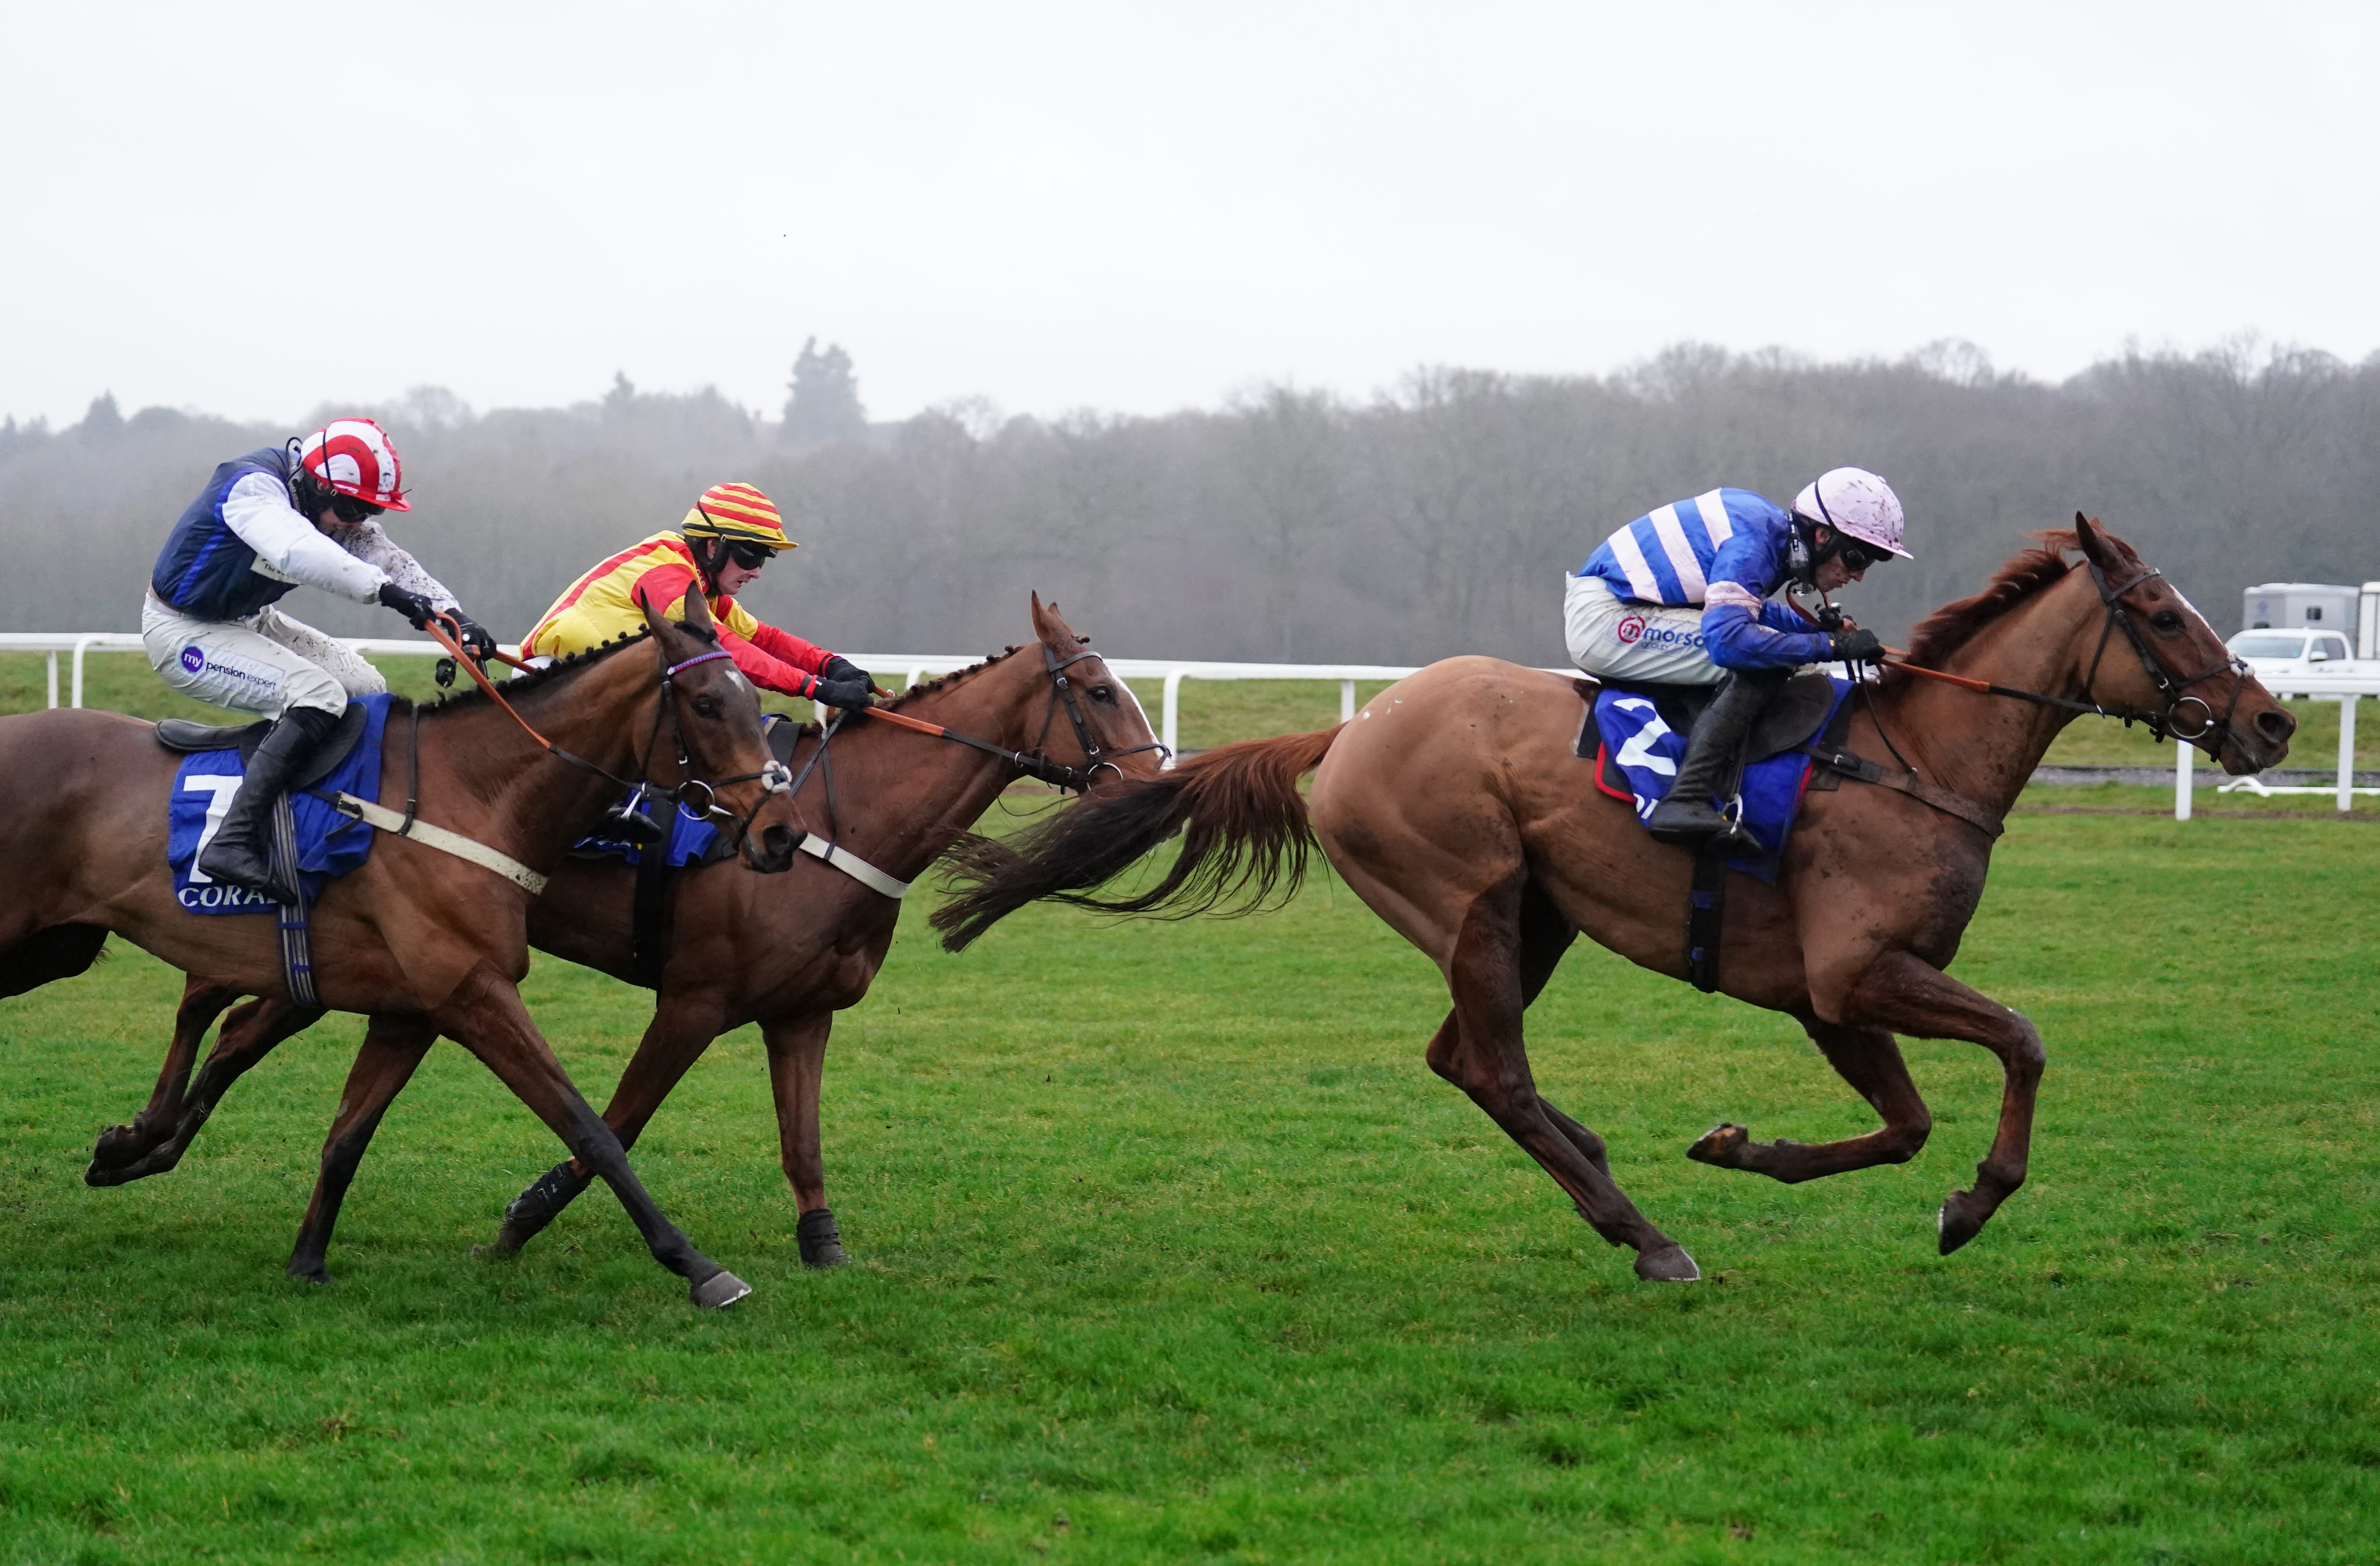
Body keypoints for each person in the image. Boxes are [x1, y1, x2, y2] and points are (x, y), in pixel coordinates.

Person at [146, 418, 495, 902]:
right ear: (316, 484)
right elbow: (299, 552)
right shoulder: (254, 491)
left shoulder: (326, 506)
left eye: (370, 509)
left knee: (368, 690)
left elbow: (390, 561)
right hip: (184, 633)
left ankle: (330, 819)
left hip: (247, 620)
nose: (356, 520)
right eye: (352, 506)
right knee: (318, 694)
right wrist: (385, 594)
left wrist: (456, 618)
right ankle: (232, 841)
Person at [1562, 467, 1909, 846]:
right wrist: (1830, 647)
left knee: (1772, 648)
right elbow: (1730, 641)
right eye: (1858, 558)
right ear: (1823, 536)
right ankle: (1685, 798)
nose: (1857, 575)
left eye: (1872, 563)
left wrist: (1817, 629)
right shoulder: (1756, 538)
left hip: (1618, 608)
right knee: (1764, 660)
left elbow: (1750, 610)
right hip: (1610, 620)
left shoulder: (1767, 528)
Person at [522, 481, 874, 712]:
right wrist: (818, 689)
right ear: (713, 547)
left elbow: (763, 639)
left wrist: (831, 665)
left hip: (599, 685)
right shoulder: (667, 578)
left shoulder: (702, 585)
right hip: (548, 687)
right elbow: (726, 651)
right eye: (751, 556)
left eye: (764, 559)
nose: (757, 572)